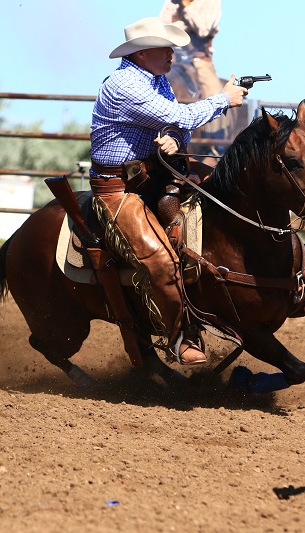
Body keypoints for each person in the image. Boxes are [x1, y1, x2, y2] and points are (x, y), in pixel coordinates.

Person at [89, 17, 247, 365]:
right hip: (118, 189)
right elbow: (181, 115)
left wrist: (175, 138)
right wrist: (223, 99)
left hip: (153, 175)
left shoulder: (156, 80)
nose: (173, 54)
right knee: (161, 262)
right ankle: (178, 337)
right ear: (143, 53)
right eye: (166, 48)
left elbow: (177, 124)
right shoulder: (125, 85)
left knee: (226, 195)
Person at [159, 0, 225, 139]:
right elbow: (161, 28)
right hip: (170, 55)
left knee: (213, 91)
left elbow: (204, 29)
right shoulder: (171, 2)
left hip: (197, 57)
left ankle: (214, 144)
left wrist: (186, 6)